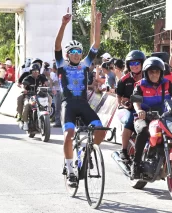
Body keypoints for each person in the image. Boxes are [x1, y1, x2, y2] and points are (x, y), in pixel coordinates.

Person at [55, 7, 104, 187]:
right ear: (68, 55)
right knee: (69, 134)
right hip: (68, 105)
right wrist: (63, 25)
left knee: (100, 129)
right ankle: (70, 170)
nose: (76, 55)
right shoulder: (61, 65)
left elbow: (96, 45)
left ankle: (85, 153)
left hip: (83, 104)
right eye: (73, 52)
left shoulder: (85, 65)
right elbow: (57, 45)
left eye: (79, 52)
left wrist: (98, 22)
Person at [132, 57, 172, 179]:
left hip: (162, 117)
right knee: (144, 131)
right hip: (145, 116)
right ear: (146, 73)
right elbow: (136, 101)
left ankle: (164, 160)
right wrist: (139, 110)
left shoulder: (167, 84)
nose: (154, 74)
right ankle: (136, 163)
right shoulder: (140, 85)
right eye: (151, 72)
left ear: (161, 73)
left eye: (157, 71)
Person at [116, 50, 146, 160]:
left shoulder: (148, 77)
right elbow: (118, 97)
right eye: (132, 64)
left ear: (143, 63)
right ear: (128, 65)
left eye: (137, 63)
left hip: (146, 108)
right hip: (128, 110)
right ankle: (123, 150)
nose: (135, 66)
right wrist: (123, 104)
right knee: (129, 121)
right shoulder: (123, 80)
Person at [21, 63, 49, 130]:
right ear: (31, 71)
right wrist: (24, 90)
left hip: (40, 96)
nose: (36, 73)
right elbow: (23, 85)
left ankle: (48, 112)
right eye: (34, 71)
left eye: (37, 71)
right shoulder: (28, 78)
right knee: (27, 105)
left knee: (49, 99)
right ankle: (25, 122)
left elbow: (47, 83)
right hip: (29, 96)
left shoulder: (41, 77)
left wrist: (48, 86)